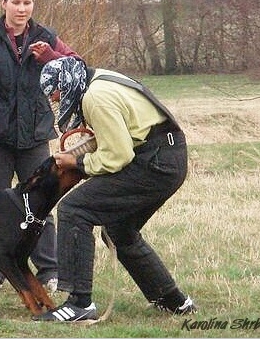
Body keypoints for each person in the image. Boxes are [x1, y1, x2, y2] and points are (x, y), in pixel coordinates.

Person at [33, 57, 198, 322]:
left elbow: (118, 156)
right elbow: (121, 136)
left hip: (154, 162)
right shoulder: (99, 79)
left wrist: (77, 162)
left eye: (55, 93)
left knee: (74, 209)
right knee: (119, 231)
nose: (54, 100)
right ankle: (174, 302)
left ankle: (79, 304)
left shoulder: (95, 98)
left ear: (67, 84)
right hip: (167, 156)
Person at [0, 0, 81, 292]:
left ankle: (49, 270)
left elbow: (76, 67)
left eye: (27, 2)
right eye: (15, 2)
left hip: (34, 138)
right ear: (3, 4)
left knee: (42, 203)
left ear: (33, 5)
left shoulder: (46, 37)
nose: (21, 8)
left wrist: (49, 58)